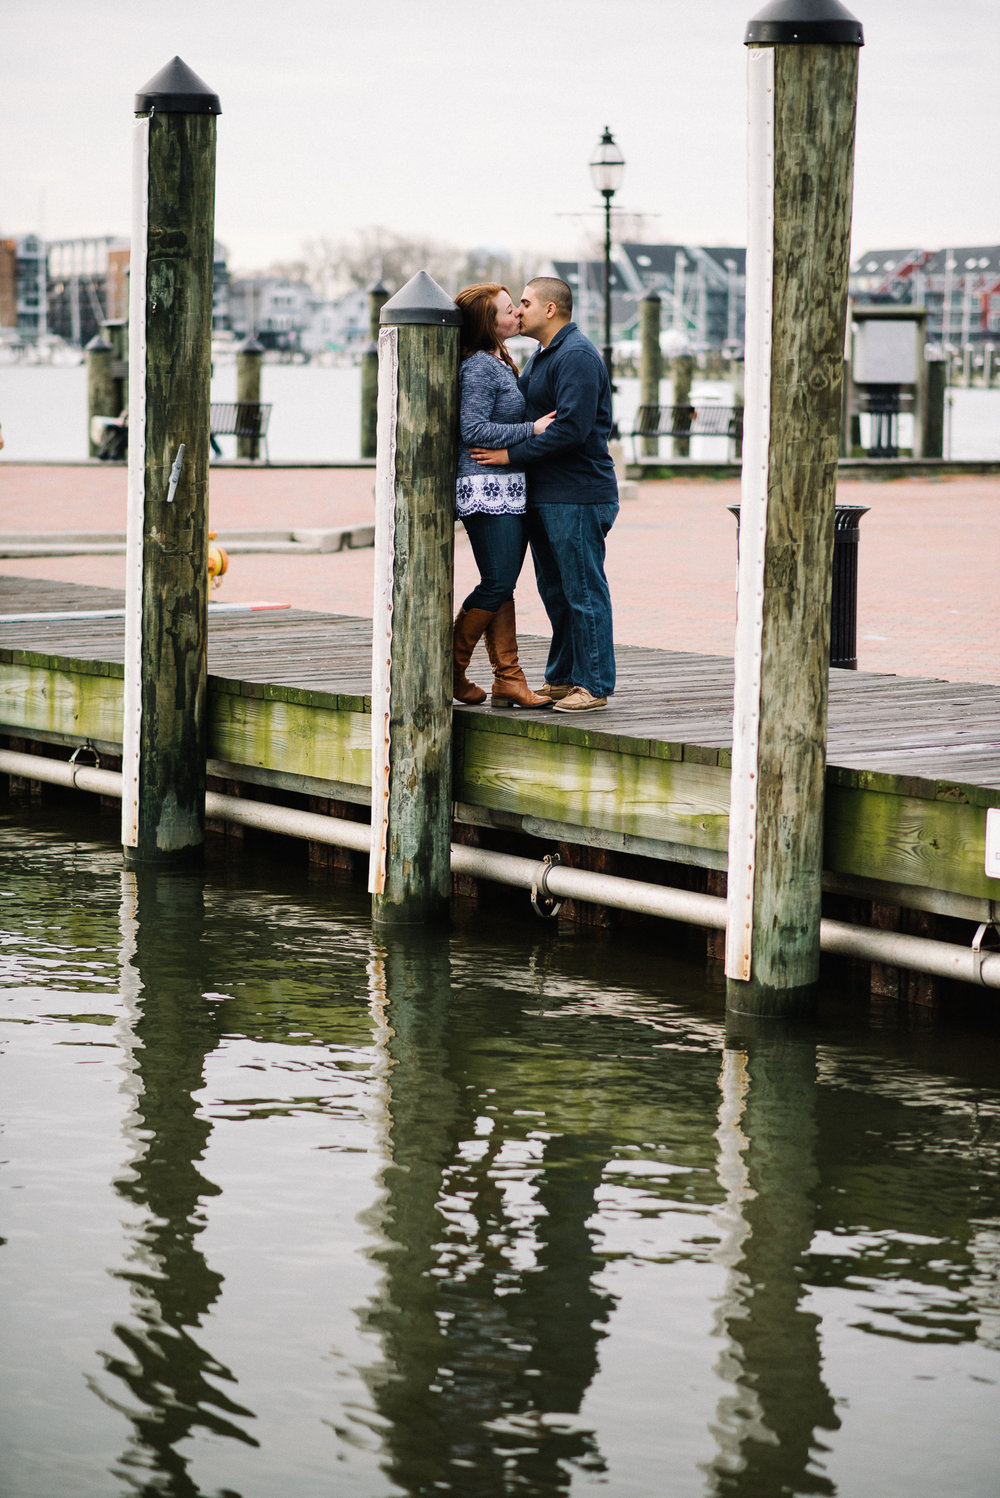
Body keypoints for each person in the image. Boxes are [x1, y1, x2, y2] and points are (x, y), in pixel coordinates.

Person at [471, 277, 618, 713]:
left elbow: (572, 429)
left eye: (526, 303)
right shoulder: (543, 354)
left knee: (583, 589)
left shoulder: (575, 356)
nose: (519, 310)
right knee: (556, 590)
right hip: (549, 492)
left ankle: (593, 683)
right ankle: (563, 677)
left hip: (578, 493)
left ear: (550, 310)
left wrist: (509, 453)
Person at [452, 283, 555, 709]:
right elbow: (473, 429)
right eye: (509, 311)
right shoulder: (478, 366)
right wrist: (529, 430)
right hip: (484, 486)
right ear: (487, 323)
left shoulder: (500, 360)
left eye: (517, 308)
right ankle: (450, 670)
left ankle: (508, 680)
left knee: (504, 584)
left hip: (507, 487)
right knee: (496, 581)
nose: (517, 315)